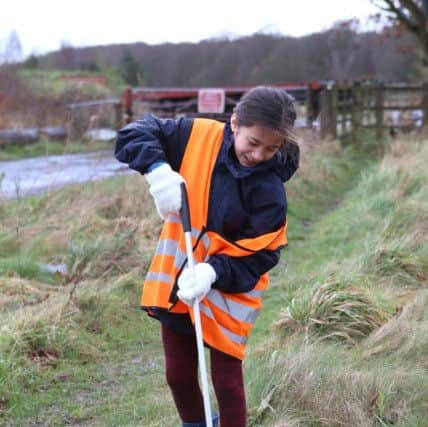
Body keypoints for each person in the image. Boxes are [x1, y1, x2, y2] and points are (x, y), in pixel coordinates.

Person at [114, 86, 300, 427]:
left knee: (227, 383)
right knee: (179, 375)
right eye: (253, 142)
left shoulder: (270, 191)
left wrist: (212, 272)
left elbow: (264, 255)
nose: (259, 155)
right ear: (234, 123)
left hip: (229, 290)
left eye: (272, 148)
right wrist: (157, 170)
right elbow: (134, 132)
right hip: (180, 284)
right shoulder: (196, 136)